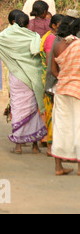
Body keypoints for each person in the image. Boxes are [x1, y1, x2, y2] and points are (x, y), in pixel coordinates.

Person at [0, 12, 47, 154]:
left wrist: (11, 30)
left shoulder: (9, 36)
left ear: (14, 23)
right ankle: (35, 146)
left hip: (17, 77)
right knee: (33, 110)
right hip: (32, 78)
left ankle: (18, 146)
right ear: (28, 24)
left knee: (17, 110)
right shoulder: (33, 36)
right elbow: (36, 51)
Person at [50, 16, 80, 176]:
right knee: (78, 127)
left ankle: (58, 167)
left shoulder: (57, 45)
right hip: (77, 90)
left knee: (61, 127)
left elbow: (54, 71)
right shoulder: (78, 45)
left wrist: (65, 77)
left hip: (61, 89)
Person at [40, 14, 63, 155]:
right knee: (52, 114)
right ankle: (50, 145)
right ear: (54, 26)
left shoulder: (53, 37)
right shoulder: (52, 39)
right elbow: (50, 63)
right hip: (50, 80)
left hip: (52, 79)